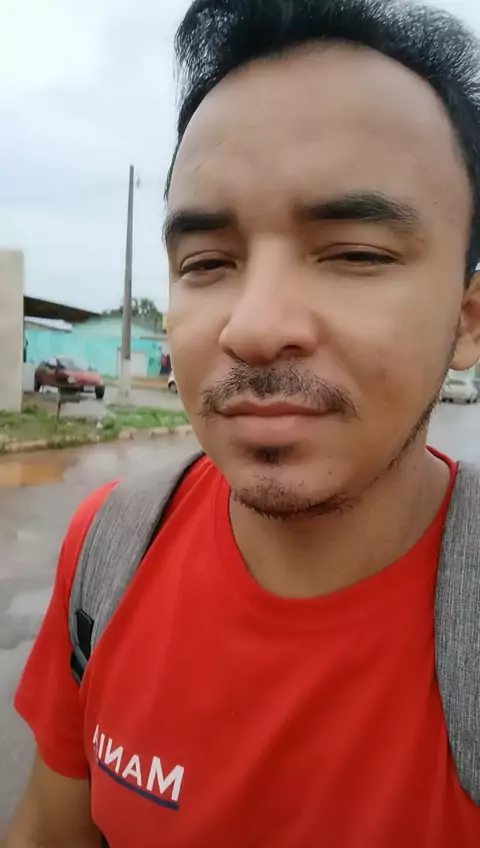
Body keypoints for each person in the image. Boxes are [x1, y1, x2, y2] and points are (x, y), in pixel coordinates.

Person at [5, 0, 480, 845]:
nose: (252, 328)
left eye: (355, 253)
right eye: (207, 262)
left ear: (468, 318)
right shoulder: (113, 549)